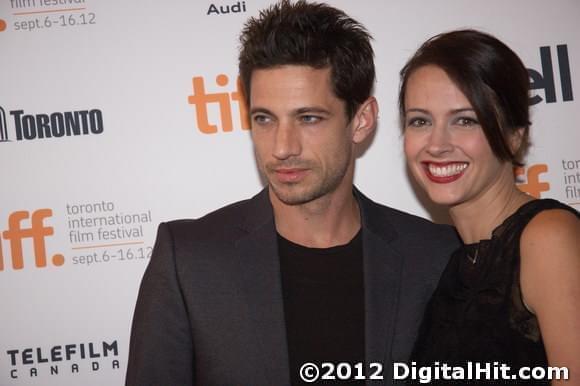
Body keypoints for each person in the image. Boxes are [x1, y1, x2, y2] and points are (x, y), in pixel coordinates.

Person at [125, 1, 459, 385]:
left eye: (309, 118)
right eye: (264, 118)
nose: (282, 146)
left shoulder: (434, 257)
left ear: (361, 121)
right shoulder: (188, 261)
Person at [399, 29, 580, 384]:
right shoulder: (453, 265)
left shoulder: (547, 239)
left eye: (465, 120)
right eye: (420, 120)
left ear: (515, 135)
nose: (437, 144)